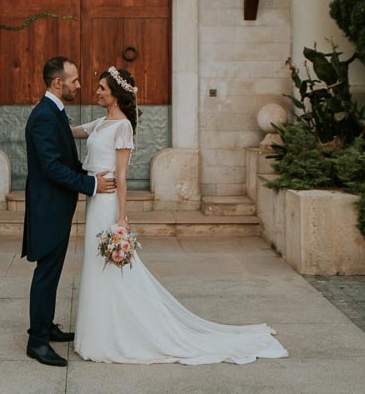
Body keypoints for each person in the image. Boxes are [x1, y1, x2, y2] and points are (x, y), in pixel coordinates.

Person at [71, 67, 289, 364]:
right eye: (98, 87)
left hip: (108, 202)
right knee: (95, 264)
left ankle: (116, 333)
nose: (96, 92)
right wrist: (51, 114)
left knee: (109, 266)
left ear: (116, 95)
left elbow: (122, 175)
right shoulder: (101, 122)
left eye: (102, 89)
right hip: (95, 199)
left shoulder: (122, 127)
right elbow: (74, 131)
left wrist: (122, 216)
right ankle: (99, 329)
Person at [23, 56, 117, 367]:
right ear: (57, 82)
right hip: (48, 210)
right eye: (74, 80)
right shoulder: (44, 116)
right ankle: (37, 341)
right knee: (46, 275)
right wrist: (89, 184)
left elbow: (66, 161)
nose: (79, 85)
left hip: (57, 208)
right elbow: (51, 168)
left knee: (51, 273)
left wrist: (88, 174)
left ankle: (46, 326)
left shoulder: (56, 112)